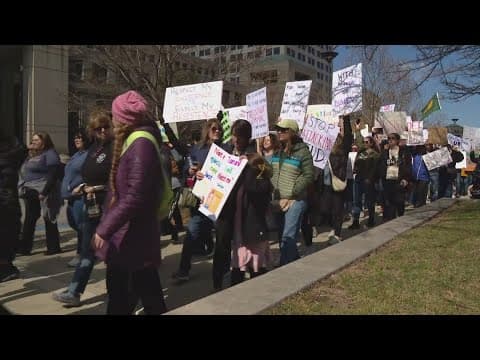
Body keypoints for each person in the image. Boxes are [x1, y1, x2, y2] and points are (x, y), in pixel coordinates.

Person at [92, 90, 167, 315]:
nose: (112, 120)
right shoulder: (134, 141)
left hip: (132, 236)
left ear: (123, 119)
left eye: (114, 116)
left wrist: (104, 229)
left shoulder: (140, 144)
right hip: (129, 236)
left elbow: (135, 195)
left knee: (123, 296)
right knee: (142, 293)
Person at [52, 111, 113, 307]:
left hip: (109, 205)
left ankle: (118, 291)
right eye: (98, 128)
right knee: (88, 250)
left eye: (105, 126)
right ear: (92, 131)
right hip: (91, 203)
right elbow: (87, 173)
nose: (102, 131)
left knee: (112, 252)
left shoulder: (116, 147)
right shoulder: (94, 148)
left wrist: (100, 188)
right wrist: (83, 187)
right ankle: (74, 291)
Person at [171, 118, 224, 282]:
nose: (217, 132)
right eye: (214, 129)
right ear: (207, 130)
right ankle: (183, 270)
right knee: (190, 236)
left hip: (219, 202)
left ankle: (222, 270)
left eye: (219, 129)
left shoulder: (226, 149)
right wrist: (192, 171)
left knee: (223, 238)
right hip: (200, 202)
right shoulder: (197, 149)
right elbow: (187, 168)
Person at [271, 119, 314, 266]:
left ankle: (285, 268)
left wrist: (293, 192)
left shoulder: (303, 152)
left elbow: (309, 175)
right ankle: (293, 260)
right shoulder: (277, 152)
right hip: (278, 200)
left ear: (292, 132)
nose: (280, 132)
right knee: (282, 233)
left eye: (284, 130)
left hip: (296, 201)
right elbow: (272, 172)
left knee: (287, 235)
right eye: (278, 130)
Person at [230, 152, 273, 286]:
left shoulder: (263, 183)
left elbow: (252, 188)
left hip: (254, 232)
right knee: (237, 269)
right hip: (240, 234)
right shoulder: (242, 182)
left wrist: (247, 168)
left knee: (256, 270)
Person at [18, 132, 63, 255]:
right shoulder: (33, 154)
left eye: (36, 140)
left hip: (45, 190)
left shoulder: (50, 154)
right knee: (30, 218)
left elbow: (53, 174)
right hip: (30, 191)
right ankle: (25, 248)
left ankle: (53, 247)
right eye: (32, 140)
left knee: (49, 218)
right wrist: (28, 148)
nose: (33, 142)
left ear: (44, 141)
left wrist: (44, 191)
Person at [0, 131, 27, 282]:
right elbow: (21, 150)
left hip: (7, 201)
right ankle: (6, 267)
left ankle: (6, 267)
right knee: (9, 234)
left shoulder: (9, 158)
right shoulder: (11, 157)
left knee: (8, 234)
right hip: (7, 202)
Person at [61, 129, 90, 267]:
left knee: (82, 227)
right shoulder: (75, 156)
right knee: (76, 225)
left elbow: (90, 174)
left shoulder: (88, 155)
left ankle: (82, 254)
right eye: (75, 138)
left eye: (80, 138)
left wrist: (82, 187)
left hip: (80, 198)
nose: (77, 140)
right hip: (71, 198)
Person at [378, 133, 412, 221]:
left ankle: (400, 218)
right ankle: (391, 221)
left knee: (400, 202)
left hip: (399, 181)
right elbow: (381, 166)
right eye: (389, 138)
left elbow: (408, 166)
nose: (390, 140)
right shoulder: (385, 153)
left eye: (392, 138)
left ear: (397, 140)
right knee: (390, 204)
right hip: (388, 181)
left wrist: (406, 179)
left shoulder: (404, 152)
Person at [350, 135, 380, 229]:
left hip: (368, 180)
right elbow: (356, 164)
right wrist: (354, 170)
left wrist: (370, 178)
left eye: (367, 142)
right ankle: (356, 221)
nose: (365, 144)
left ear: (371, 143)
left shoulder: (375, 154)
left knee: (369, 201)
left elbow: (375, 168)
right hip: (359, 179)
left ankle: (371, 220)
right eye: (364, 142)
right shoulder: (360, 153)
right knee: (356, 200)